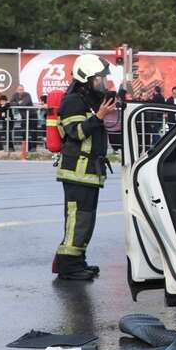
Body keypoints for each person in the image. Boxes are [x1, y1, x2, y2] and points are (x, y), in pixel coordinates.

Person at [51, 54, 116, 281]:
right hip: (76, 172)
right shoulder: (73, 102)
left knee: (86, 219)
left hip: (89, 172)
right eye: (99, 79)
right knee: (77, 219)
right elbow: (76, 132)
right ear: (86, 79)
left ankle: (78, 260)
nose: (102, 83)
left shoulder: (89, 101)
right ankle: (68, 266)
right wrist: (98, 116)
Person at [8, 84, 35, 150]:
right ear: (17, 90)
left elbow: (24, 104)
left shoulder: (27, 94)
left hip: (31, 116)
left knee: (31, 132)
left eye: (22, 89)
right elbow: (11, 103)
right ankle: (26, 148)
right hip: (23, 117)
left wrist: (17, 103)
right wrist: (18, 103)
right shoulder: (15, 95)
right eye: (19, 90)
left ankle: (33, 148)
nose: (21, 91)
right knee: (24, 132)